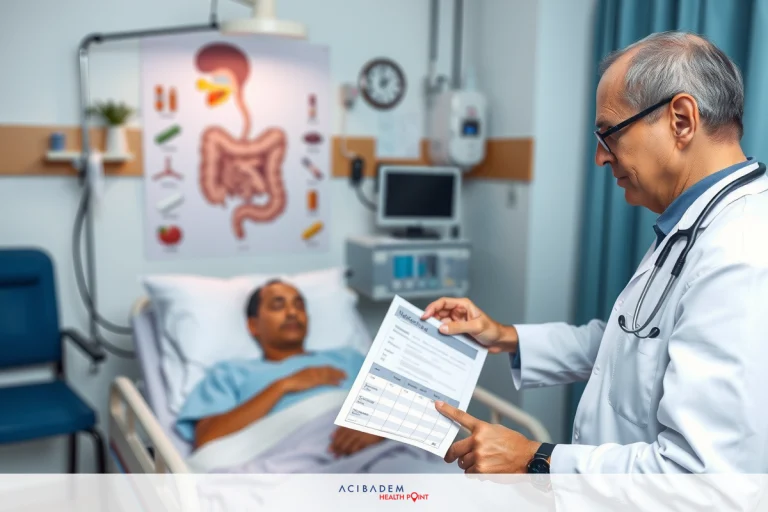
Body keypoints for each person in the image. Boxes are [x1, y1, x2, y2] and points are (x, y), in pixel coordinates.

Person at [422, 31, 768, 474]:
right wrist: (503, 335)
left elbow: (699, 477)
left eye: (609, 134)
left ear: (681, 120)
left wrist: (534, 458)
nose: (601, 159)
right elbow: (631, 342)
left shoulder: (741, 250)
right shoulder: (696, 225)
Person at [176, 279, 385, 456]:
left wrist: (377, 429)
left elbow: (402, 408)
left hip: (375, 450)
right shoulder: (230, 373)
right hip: (295, 458)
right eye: (278, 306)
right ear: (253, 325)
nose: (292, 312)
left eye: (299, 306)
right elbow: (208, 441)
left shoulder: (349, 358)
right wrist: (284, 385)